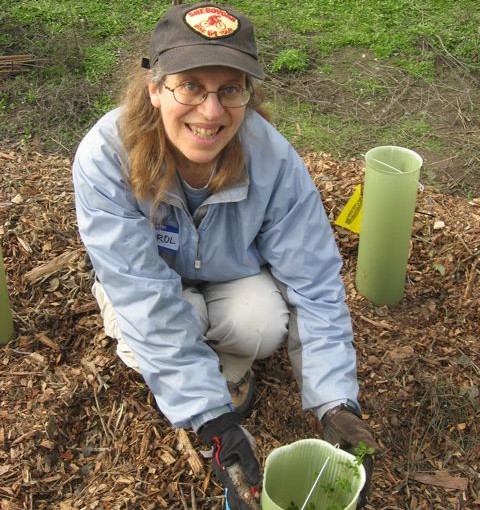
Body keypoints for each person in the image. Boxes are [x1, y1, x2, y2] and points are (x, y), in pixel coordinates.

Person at [73, 3, 378, 509]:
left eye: (230, 89)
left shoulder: (273, 159)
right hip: (147, 285)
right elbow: (143, 297)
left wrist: (335, 401)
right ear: (155, 86)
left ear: (246, 93)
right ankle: (206, 389)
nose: (211, 112)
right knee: (153, 327)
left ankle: (227, 369)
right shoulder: (106, 155)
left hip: (231, 277)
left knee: (259, 322)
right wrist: (212, 420)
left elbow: (315, 280)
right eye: (190, 85)